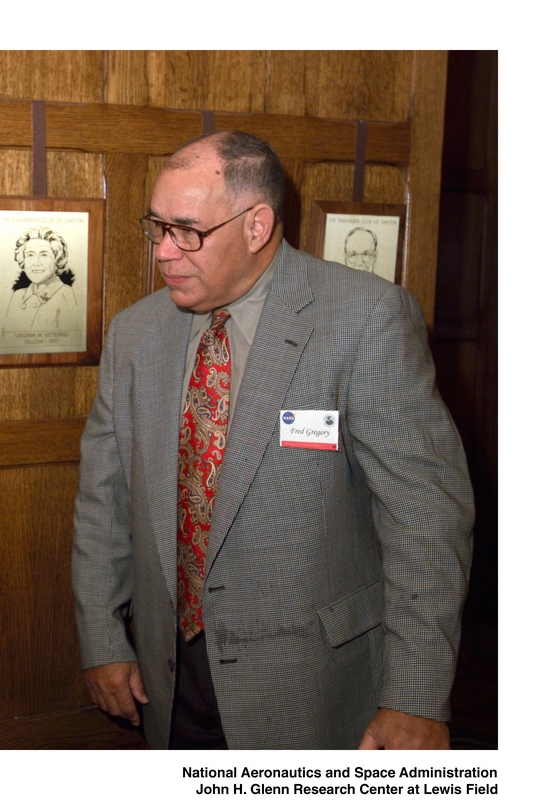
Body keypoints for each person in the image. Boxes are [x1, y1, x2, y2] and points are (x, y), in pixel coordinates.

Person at [71, 131, 473, 750]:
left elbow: (426, 520)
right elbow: (105, 503)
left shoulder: (365, 319)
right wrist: (103, 639)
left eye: (187, 231)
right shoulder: (134, 334)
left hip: (314, 686)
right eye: (158, 227)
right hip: (170, 680)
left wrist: (415, 698)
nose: (164, 252)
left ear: (256, 226)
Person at [2, 226, 79, 333]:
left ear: (57, 259)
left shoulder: (65, 294)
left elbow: (70, 338)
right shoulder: (17, 296)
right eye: (30, 255)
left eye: (44, 255)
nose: (36, 262)